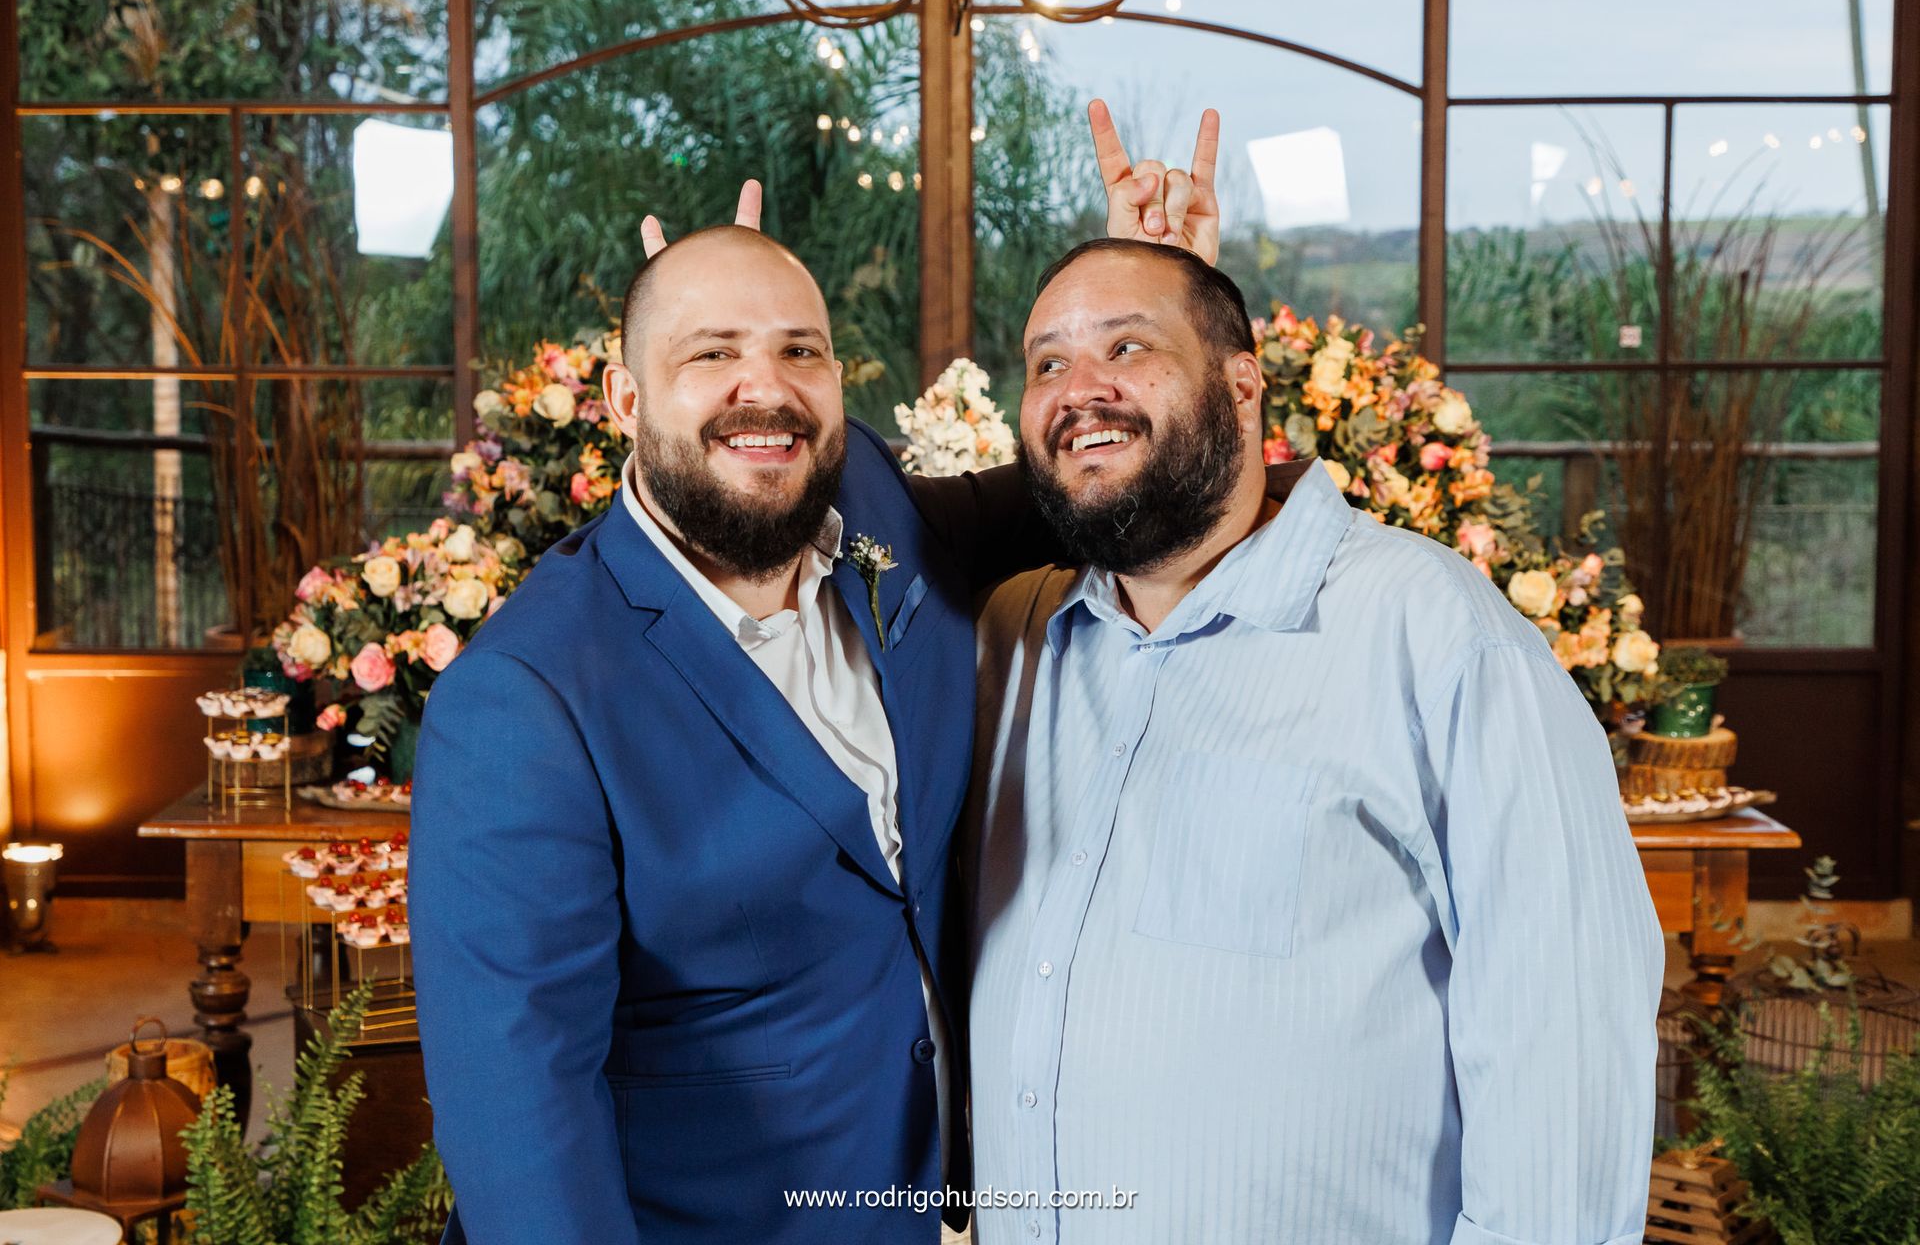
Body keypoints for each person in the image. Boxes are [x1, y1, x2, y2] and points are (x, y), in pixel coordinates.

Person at [409, 106, 1218, 1244]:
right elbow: (523, 1129)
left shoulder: (877, 509)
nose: (767, 388)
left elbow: (1081, 489)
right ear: (625, 401)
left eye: (800, 349)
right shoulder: (526, 700)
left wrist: (1158, 300)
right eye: (711, 354)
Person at [963, 233, 1665, 1244]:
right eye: (1047, 362)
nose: (1081, 389)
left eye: (1127, 347)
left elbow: (1566, 1043)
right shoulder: (1016, 643)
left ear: (1243, 387)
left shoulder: (1434, 632)